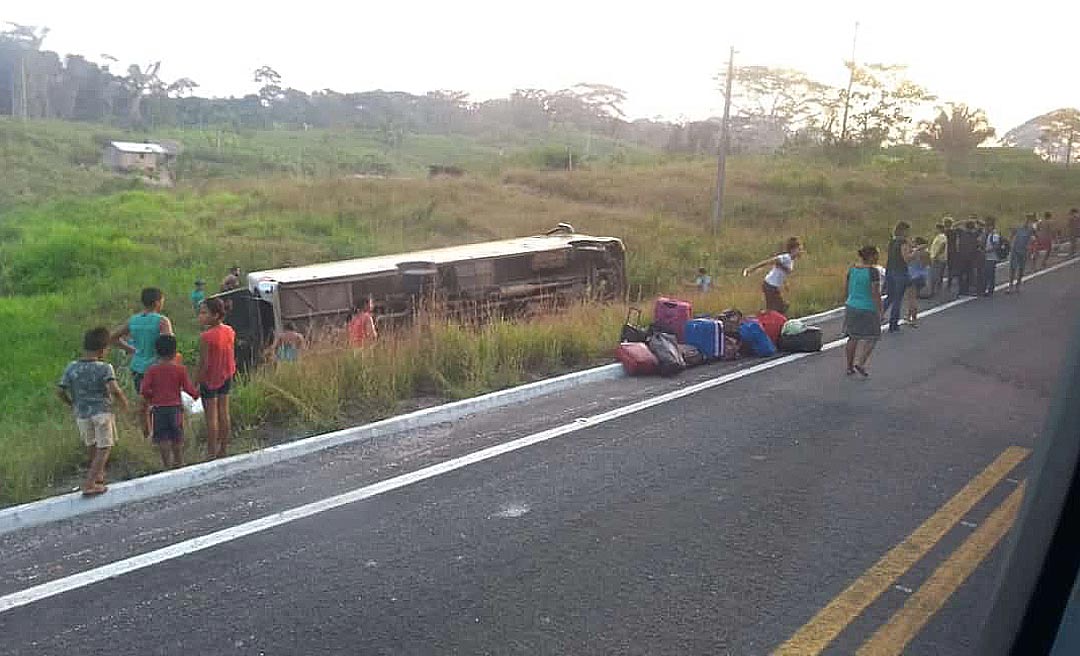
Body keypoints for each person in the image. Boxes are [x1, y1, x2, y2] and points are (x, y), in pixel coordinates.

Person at [57, 327, 130, 496]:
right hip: (102, 412)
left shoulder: (71, 367)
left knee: (92, 446)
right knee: (105, 447)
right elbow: (114, 389)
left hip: (82, 414)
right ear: (103, 349)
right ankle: (89, 483)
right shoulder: (105, 368)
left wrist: (71, 403)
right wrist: (124, 404)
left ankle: (98, 476)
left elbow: (60, 391)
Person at [140, 335, 198, 469]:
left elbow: (144, 389)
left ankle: (167, 464)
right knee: (176, 435)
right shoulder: (180, 369)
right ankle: (179, 461)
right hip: (175, 408)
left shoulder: (152, 370)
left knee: (162, 437)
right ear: (174, 352)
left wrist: (152, 397)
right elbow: (188, 388)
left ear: (156, 352)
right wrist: (197, 394)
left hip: (159, 409)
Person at [111, 287, 173, 392]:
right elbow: (169, 346)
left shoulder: (133, 320)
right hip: (156, 367)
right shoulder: (162, 321)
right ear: (157, 302)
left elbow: (113, 337)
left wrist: (131, 350)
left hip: (137, 367)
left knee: (142, 397)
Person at [197, 298, 236, 459]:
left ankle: (211, 452)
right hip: (226, 375)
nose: (200, 316)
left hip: (210, 379)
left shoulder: (206, 336)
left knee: (211, 417)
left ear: (215, 315)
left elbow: (204, 364)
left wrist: (196, 381)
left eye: (204, 313)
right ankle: (224, 449)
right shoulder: (229, 330)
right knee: (224, 412)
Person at [844, 246, 883, 377]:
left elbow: (847, 287)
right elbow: (875, 292)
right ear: (871, 256)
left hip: (852, 305)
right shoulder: (873, 272)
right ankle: (860, 363)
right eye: (876, 255)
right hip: (868, 307)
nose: (878, 257)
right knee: (873, 336)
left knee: (853, 337)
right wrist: (880, 310)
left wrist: (848, 300)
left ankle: (849, 367)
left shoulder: (852, 268)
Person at [742, 237, 803, 316]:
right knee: (779, 308)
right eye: (799, 249)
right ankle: (759, 317)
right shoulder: (786, 257)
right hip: (770, 285)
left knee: (776, 309)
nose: (801, 252)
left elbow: (782, 273)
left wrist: (785, 283)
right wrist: (751, 269)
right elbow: (767, 262)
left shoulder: (791, 261)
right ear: (793, 250)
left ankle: (764, 318)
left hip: (772, 286)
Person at [881, 222, 913, 333]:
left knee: (889, 297)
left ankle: (877, 318)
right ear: (904, 231)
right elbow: (906, 258)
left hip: (890, 271)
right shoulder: (903, 242)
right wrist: (914, 253)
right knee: (897, 299)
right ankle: (893, 324)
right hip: (900, 272)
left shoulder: (892, 241)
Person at [1007, 214, 1036, 294]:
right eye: (1026, 220)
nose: (1027, 222)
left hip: (1024, 251)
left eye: (1029, 221)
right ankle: (1010, 285)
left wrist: (1031, 248)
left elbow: (1034, 238)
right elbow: (1011, 235)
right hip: (1015, 250)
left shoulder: (1031, 229)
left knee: (1021, 269)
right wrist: (1010, 244)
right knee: (1013, 268)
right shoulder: (1018, 227)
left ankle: (1018, 285)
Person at [905, 237, 930, 326]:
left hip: (912, 276)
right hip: (922, 276)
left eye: (914, 242)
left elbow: (907, 260)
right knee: (913, 298)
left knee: (911, 299)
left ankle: (913, 319)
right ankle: (908, 316)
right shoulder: (926, 253)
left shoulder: (914, 252)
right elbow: (927, 264)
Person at [956, 220, 980, 296]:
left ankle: (962, 290)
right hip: (970, 257)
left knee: (962, 274)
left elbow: (954, 226)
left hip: (963, 257)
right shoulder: (975, 234)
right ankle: (967, 289)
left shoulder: (962, 233)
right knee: (969, 274)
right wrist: (977, 222)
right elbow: (983, 226)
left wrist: (961, 222)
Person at [982, 217, 1003, 296]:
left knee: (990, 274)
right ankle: (986, 288)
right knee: (986, 273)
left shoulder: (994, 235)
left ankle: (990, 289)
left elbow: (996, 246)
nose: (987, 227)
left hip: (992, 257)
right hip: (986, 257)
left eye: (989, 226)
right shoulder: (987, 234)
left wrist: (987, 251)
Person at [929, 223, 949, 297]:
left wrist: (936, 255)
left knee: (936, 275)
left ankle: (935, 291)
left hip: (939, 259)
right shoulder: (938, 236)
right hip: (937, 258)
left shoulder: (942, 236)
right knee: (936, 275)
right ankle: (935, 291)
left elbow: (942, 245)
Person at [943, 216, 959, 293]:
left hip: (948, 251)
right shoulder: (954, 231)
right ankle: (950, 281)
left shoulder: (945, 232)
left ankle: (948, 282)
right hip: (953, 251)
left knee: (949, 267)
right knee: (951, 267)